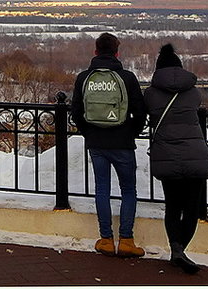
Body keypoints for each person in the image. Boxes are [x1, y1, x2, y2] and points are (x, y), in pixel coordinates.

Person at [72, 32, 148, 257]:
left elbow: (76, 112)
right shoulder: (127, 78)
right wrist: (130, 132)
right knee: (128, 191)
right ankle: (126, 240)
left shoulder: (84, 77)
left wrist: (89, 133)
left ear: (95, 52)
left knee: (102, 190)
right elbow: (140, 112)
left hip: (96, 143)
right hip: (123, 142)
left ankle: (105, 239)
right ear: (117, 52)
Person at [144, 43, 208, 275]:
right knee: (192, 207)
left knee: (173, 205)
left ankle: (176, 248)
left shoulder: (151, 94)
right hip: (195, 153)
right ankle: (180, 250)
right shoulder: (193, 93)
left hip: (167, 155)